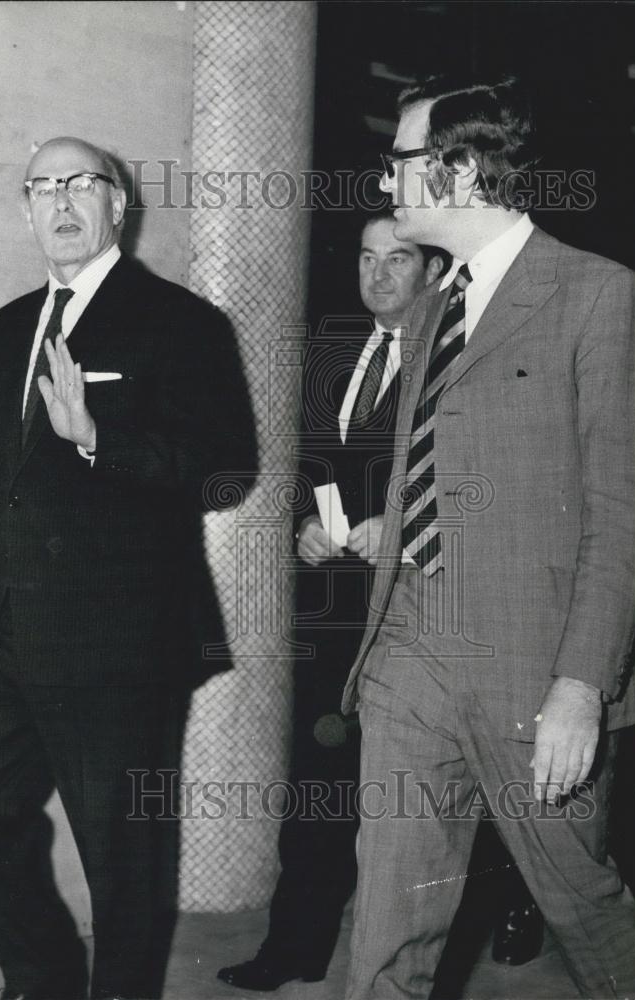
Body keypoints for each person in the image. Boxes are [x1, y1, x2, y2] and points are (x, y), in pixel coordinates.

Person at [0, 136, 256, 1000]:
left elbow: (227, 467)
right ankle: (42, 980)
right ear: (27, 210)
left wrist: (100, 440)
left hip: (119, 641)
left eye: (82, 184)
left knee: (122, 858)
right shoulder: (12, 324)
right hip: (4, 627)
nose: (61, 202)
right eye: (41, 187)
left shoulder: (183, 322)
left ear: (120, 205)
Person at [342, 77, 635, 999]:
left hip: (533, 667)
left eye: (400, 160)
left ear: (461, 169)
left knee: (580, 904)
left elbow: (623, 509)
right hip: (409, 651)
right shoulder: (433, 307)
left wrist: (582, 687)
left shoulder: (598, 296)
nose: (386, 178)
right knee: (386, 919)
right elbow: (438, 471)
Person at [218, 211, 447, 991]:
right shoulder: (337, 350)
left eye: (399, 258)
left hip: (421, 605)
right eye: (366, 257)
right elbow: (306, 466)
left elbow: (486, 488)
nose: (378, 274)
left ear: (435, 271)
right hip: (334, 608)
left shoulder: (459, 360)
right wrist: (304, 527)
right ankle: (294, 951)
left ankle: (485, 920)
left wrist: (405, 528)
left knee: (426, 795)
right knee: (318, 781)